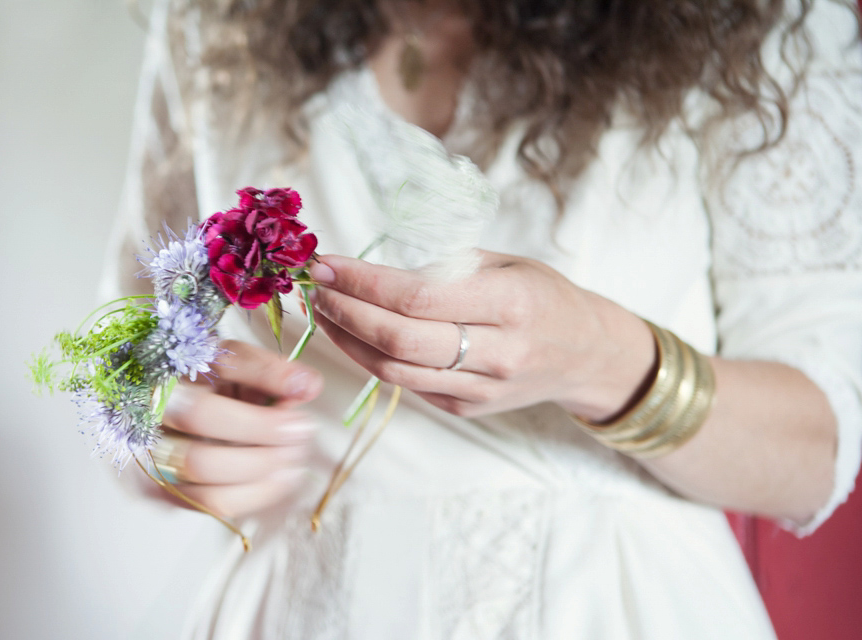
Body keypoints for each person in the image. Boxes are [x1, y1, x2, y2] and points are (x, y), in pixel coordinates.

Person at [102, 0, 862, 637]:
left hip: (613, 607)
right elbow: (120, 365)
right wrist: (165, 443)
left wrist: (602, 360)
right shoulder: (213, 23)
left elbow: (816, 455)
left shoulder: (757, 22)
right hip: (292, 607)